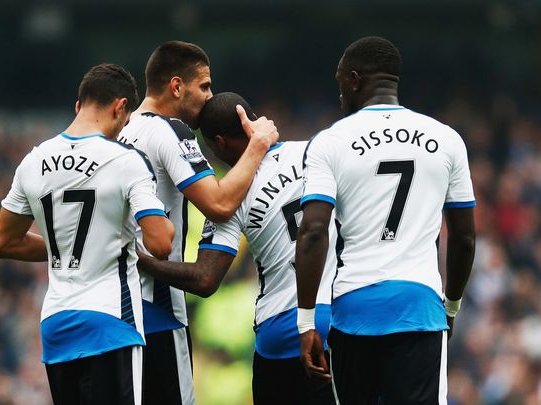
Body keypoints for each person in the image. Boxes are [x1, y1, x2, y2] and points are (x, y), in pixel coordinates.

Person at [295, 36, 476, 404]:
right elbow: (464, 238)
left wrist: (306, 321)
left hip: (353, 308)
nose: (340, 95)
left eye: (340, 83)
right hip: (419, 306)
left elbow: (313, 231)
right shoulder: (447, 139)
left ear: (354, 79)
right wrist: (452, 306)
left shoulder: (329, 142)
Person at [136, 92, 337, 405]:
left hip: (282, 330)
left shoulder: (231, 195)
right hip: (342, 317)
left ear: (219, 143)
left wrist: (141, 262)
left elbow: (204, 278)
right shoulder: (318, 152)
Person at [0, 63, 175, 405]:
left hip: (56, 326)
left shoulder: (33, 161)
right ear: (121, 108)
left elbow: (5, 242)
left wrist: (67, 242)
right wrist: (164, 222)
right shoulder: (125, 160)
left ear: (78, 106)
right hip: (110, 322)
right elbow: (160, 244)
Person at [117, 42, 279, 405]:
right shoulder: (169, 131)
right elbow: (220, 204)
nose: (209, 97)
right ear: (177, 87)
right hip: (158, 308)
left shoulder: (121, 132)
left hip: (119, 308)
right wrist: (258, 145)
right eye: (204, 86)